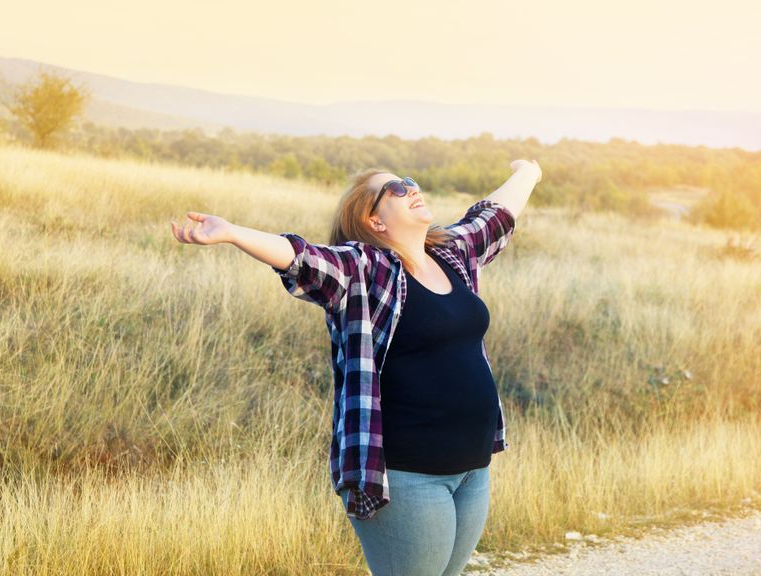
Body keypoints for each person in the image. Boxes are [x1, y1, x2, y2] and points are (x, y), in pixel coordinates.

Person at [170, 159, 542, 575]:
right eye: (397, 189)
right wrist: (232, 233)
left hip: (473, 470)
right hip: (408, 477)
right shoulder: (365, 269)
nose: (412, 188)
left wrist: (528, 172)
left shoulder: (451, 254)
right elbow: (302, 259)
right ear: (373, 220)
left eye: (411, 181)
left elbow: (493, 218)